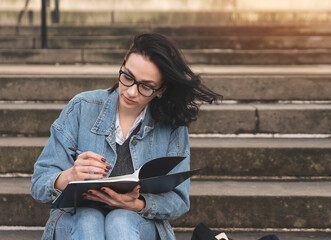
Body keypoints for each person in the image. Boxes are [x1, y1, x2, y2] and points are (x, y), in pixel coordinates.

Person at [31, 32, 222, 240]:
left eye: (146, 86)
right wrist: (69, 176)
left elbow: (179, 200)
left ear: (160, 90)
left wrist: (138, 204)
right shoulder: (82, 107)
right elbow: (39, 183)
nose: (131, 92)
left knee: (120, 220)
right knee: (89, 219)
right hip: (75, 222)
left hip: (136, 226)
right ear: (122, 66)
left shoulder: (172, 127)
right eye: (128, 77)